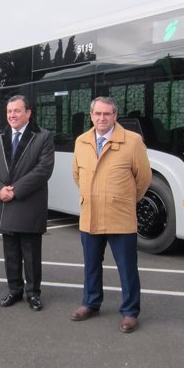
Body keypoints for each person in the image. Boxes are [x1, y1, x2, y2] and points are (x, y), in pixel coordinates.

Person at [71, 96, 152, 333]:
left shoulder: (133, 141)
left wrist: (124, 200)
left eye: (107, 114)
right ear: (91, 116)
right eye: (97, 114)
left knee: (127, 267)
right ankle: (90, 303)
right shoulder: (82, 141)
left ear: (115, 115)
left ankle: (130, 312)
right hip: (90, 214)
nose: (102, 118)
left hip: (120, 215)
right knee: (91, 265)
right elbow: (77, 174)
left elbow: (144, 178)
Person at [0, 95, 55, 311]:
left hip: (28, 202)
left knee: (31, 253)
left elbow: (43, 170)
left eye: (17, 111)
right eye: (9, 112)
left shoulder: (43, 137)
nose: (12, 115)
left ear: (28, 113)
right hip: (4, 202)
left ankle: (33, 293)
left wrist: (15, 191)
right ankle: (14, 290)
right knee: (11, 252)